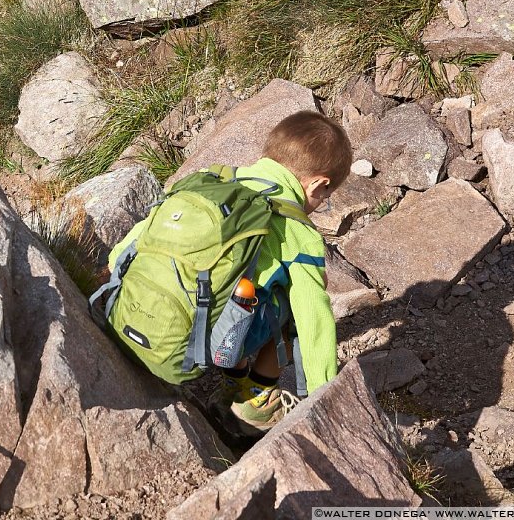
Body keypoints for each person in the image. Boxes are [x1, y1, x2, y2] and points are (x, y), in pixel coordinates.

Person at [106, 111, 352, 435]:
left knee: (239, 290)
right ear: (319, 184)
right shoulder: (297, 230)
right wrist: (325, 395)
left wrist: (118, 278)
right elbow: (315, 318)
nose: (320, 205)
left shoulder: (215, 182)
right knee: (290, 305)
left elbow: (135, 241)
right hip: (197, 345)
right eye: (325, 199)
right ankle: (255, 401)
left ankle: (232, 379)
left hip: (125, 317)